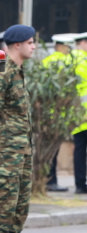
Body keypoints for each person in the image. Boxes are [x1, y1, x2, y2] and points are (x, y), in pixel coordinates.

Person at [0, 24, 42, 233]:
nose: (34, 46)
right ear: (17, 45)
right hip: (6, 151)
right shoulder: (3, 72)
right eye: (30, 42)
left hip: (21, 149)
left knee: (20, 201)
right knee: (5, 200)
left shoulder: (18, 71)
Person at [42, 34, 76, 192]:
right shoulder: (65, 61)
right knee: (53, 150)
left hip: (46, 113)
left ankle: (49, 180)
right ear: (62, 46)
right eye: (68, 47)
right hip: (58, 114)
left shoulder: (46, 61)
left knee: (49, 150)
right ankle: (51, 181)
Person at [71, 32, 87, 195]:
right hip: (83, 114)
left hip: (76, 116)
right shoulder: (82, 60)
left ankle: (80, 184)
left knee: (79, 150)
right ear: (83, 43)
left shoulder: (71, 58)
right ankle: (82, 184)